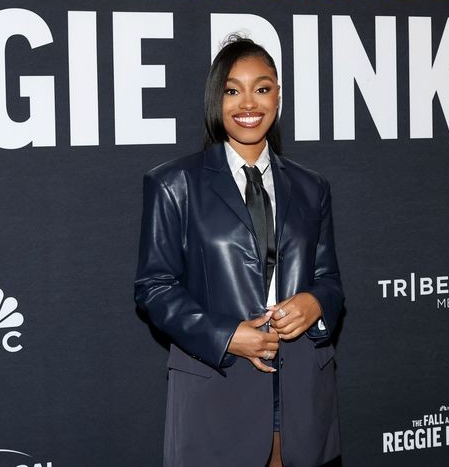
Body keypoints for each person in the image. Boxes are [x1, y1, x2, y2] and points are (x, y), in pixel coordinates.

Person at [135, 37, 345, 467]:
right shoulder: (174, 184)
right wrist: (227, 335)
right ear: (217, 98)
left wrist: (316, 302)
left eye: (262, 88)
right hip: (218, 386)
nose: (248, 103)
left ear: (278, 96)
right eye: (233, 90)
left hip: (301, 393)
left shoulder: (311, 186)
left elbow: (331, 281)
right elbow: (154, 288)